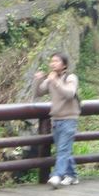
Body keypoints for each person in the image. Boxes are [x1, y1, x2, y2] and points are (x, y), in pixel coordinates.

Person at [33, 52, 81, 188]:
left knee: (63, 149)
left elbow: (70, 94)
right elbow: (39, 93)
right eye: (51, 61)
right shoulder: (51, 78)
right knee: (64, 149)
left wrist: (55, 81)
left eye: (56, 61)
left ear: (64, 64)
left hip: (69, 118)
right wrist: (38, 80)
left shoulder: (71, 77)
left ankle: (57, 176)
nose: (53, 64)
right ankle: (72, 176)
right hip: (56, 119)